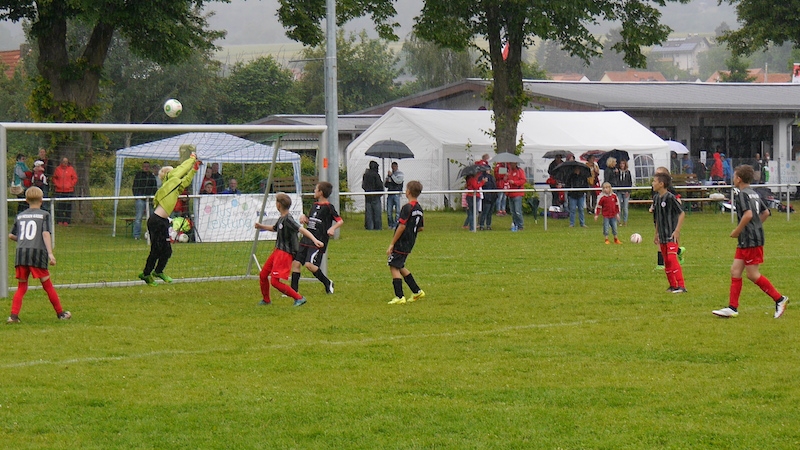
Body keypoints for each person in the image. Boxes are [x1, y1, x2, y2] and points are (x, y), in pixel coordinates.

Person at [712, 165, 789, 319]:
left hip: (751, 240)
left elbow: (748, 215)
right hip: (747, 240)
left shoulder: (742, 194)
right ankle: (732, 308)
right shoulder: (753, 193)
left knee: (753, 274)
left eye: (734, 176)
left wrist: (738, 230)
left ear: (739, 179)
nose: (733, 179)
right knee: (735, 271)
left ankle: (779, 299)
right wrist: (755, 226)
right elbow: (765, 212)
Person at [6, 186, 71, 324]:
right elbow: (45, 233)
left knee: (21, 286)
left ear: (26, 200)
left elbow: (11, 235)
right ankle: (61, 313)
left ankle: (13, 316)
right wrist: (50, 253)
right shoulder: (44, 215)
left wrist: (23, 240)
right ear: (41, 200)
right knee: (47, 285)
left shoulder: (20, 216)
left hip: (21, 253)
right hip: (37, 253)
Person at [138, 149, 199, 286]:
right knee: (156, 250)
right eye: (173, 171)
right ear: (168, 174)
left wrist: (194, 169)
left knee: (167, 250)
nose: (177, 172)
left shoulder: (173, 186)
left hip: (163, 221)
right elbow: (182, 169)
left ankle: (158, 271)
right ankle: (146, 274)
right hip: (156, 221)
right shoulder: (170, 182)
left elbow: (186, 181)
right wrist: (192, 158)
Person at [255, 193, 323, 307]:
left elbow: (301, 229)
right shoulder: (282, 218)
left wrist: (315, 240)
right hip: (277, 250)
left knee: (275, 282)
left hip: (284, 253)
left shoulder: (288, 219)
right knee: (263, 274)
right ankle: (266, 300)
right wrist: (261, 226)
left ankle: (299, 298)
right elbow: (275, 228)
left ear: (279, 205)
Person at [290, 181, 343, 296]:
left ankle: (327, 282)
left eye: (316, 189)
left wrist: (332, 228)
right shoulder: (314, 205)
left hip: (318, 241)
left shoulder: (329, 207)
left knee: (309, 265)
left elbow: (340, 221)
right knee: (296, 263)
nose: (314, 191)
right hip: (306, 239)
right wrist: (305, 218)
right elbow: (312, 221)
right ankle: (293, 291)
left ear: (321, 192)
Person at [387, 181, 425, 305]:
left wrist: (392, 243)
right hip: (410, 241)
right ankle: (416, 291)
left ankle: (399, 296)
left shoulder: (407, 207)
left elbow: (402, 226)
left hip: (402, 241)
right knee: (400, 265)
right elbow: (420, 228)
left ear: (408, 192)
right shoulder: (419, 208)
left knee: (393, 265)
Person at [652, 172, 687, 293]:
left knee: (672, 259)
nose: (652, 183)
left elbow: (682, 213)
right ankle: (673, 285)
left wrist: (677, 231)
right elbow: (658, 218)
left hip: (671, 235)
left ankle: (681, 286)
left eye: (654, 181)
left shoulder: (670, 197)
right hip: (662, 235)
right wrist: (656, 233)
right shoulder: (656, 198)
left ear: (661, 184)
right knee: (666, 261)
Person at [132, 161, 158, 240]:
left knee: (152, 217)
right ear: (142, 167)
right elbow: (134, 187)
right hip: (140, 199)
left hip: (150, 199)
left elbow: (155, 188)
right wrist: (137, 196)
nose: (146, 168)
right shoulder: (138, 175)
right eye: (145, 166)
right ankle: (136, 235)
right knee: (139, 217)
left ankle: (152, 234)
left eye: (147, 166)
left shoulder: (152, 177)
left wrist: (153, 198)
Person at [52, 157, 78, 225]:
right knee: (60, 206)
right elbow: (54, 178)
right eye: (63, 162)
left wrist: (70, 185)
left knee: (68, 206)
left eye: (66, 162)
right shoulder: (57, 169)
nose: (65, 163)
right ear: (61, 162)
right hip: (59, 190)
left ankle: (67, 221)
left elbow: (75, 178)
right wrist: (57, 184)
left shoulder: (71, 169)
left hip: (69, 190)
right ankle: (59, 220)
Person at [362, 160, 383, 230]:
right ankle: (377, 227)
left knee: (369, 213)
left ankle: (369, 227)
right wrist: (380, 192)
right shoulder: (376, 175)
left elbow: (363, 186)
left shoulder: (365, 174)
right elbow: (379, 185)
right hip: (375, 195)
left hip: (368, 196)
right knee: (377, 213)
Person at [505, 162, 526, 231]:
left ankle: (520, 225)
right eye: (510, 164)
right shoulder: (509, 171)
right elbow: (506, 181)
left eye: (512, 164)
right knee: (513, 211)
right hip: (510, 193)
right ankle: (515, 225)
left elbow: (523, 180)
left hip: (517, 193)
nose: (511, 165)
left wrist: (514, 182)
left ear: (516, 164)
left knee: (517, 211)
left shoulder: (520, 171)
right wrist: (506, 178)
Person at [384, 161, 404, 229]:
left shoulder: (400, 174)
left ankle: (396, 225)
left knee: (397, 211)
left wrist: (392, 175)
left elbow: (398, 181)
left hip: (397, 194)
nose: (393, 168)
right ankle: (390, 224)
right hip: (390, 194)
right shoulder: (389, 175)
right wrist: (387, 181)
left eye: (394, 167)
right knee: (389, 211)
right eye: (392, 167)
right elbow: (385, 185)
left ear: (397, 166)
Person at [478, 166, 496, 230]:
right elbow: (480, 186)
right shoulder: (481, 177)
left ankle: (488, 225)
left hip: (492, 196)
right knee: (485, 212)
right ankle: (482, 225)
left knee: (490, 212)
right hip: (486, 196)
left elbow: (494, 186)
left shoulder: (491, 177)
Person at [617, 159, 633, 226]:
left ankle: (625, 221)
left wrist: (628, 191)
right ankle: (619, 221)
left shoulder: (628, 172)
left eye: (623, 163)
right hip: (619, 191)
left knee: (625, 207)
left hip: (626, 191)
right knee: (619, 207)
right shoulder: (617, 172)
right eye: (621, 163)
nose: (622, 165)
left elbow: (630, 182)